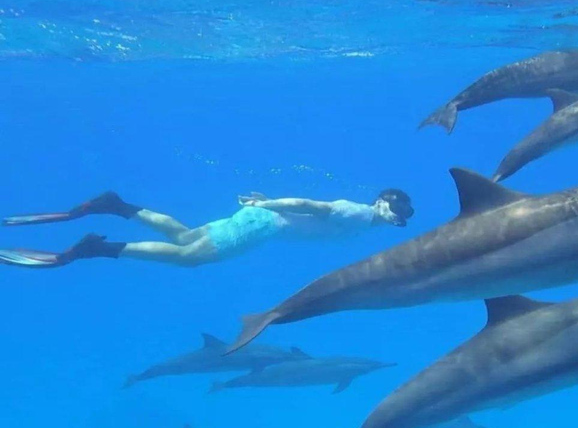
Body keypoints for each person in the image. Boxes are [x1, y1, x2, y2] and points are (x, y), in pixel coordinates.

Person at [0, 188, 414, 268]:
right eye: (396, 208)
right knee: (189, 258)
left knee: (184, 237)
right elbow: (310, 205)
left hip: (260, 220)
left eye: (403, 216)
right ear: (382, 200)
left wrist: (263, 203)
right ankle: (97, 249)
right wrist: (266, 204)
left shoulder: (364, 219)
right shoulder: (359, 214)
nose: (398, 217)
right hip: (262, 225)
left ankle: (117, 206)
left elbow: (308, 212)